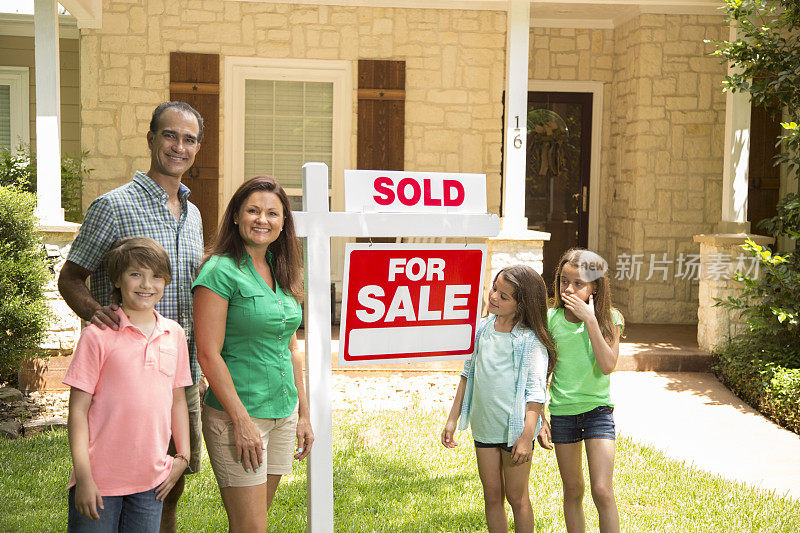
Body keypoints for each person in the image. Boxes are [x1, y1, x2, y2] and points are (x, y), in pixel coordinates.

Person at [58, 101, 204, 532]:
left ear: (198, 148)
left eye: (189, 139)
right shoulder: (113, 206)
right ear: (151, 139)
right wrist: (97, 315)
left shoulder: (193, 215)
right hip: (118, 378)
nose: (179, 146)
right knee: (111, 481)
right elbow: (71, 278)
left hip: (180, 374)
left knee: (168, 483)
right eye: (170, 135)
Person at [193, 175, 314, 532]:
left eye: (273, 213)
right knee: (251, 528)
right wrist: (242, 423)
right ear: (235, 216)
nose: (263, 220)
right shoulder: (219, 271)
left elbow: (291, 346)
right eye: (254, 211)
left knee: (254, 523)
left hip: (281, 415)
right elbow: (208, 354)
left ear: (283, 223)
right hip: (239, 418)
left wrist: (303, 413)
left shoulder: (283, 269)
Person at [64, 237, 191, 532]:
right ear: (117, 280)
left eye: (156, 275)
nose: (147, 284)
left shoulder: (174, 334)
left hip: (151, 482)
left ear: (166, 281)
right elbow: (78, 412)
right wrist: (84, 477)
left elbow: (178, 400)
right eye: (136, 274)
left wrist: (182, 457)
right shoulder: (98, 335)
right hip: (99, 480)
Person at [442, 265, 556, 533]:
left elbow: (535, 395)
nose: (494, 297)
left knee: (517, 499)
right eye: (495, 288)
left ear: (522, 304)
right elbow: (466, 374)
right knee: (492, 496)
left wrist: (527, 436)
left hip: (516, 433)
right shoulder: (481, 330)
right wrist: (452, 418)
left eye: (504, 296)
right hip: (484, 427)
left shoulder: (531, 341)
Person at [547, 248, 624, 533]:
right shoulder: (550, 319)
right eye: (564, 281)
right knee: (573, 490)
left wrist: (590, 319)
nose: (569, 289)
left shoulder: (610, 319)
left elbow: (607, 365)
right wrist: (540, 414)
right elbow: (542, 373)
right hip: (563, 414)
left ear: (595, 286)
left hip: (597, 412)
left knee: (602, 489)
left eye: (578, 284)